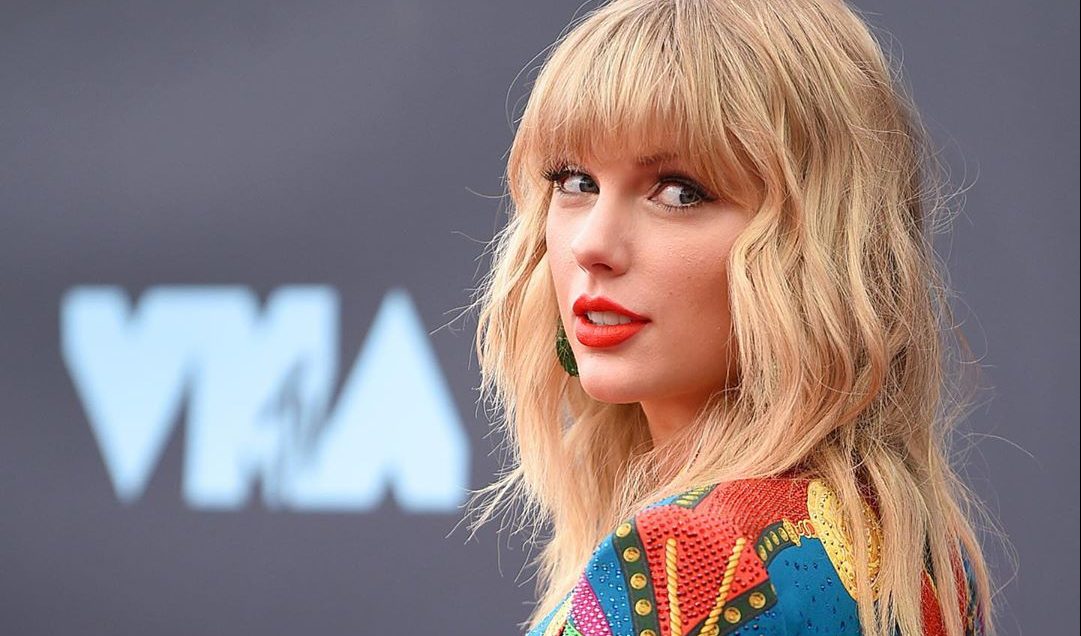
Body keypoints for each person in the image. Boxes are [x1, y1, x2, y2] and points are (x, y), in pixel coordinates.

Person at [465, 0, 996, 634]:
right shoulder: (914, 548)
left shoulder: (690, 561)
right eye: (576, 181)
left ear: (815, 245)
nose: (592, 246)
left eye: (679, 192)